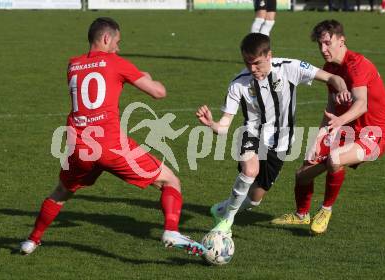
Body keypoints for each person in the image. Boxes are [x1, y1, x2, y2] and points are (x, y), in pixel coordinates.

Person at [20, 17, 205, 256]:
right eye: (117, 41)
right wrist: (145, 77)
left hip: (79, 147)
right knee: (171, 182)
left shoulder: (72, 65)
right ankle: (171, 230)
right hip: (111, 147)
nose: (118, 47)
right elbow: (159, 92)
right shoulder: (116, 62)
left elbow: (97, 80)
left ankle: (32, 240)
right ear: (106, 39)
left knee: (61, 192)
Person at [195, 33, 349, 236]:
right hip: (251, 134)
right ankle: (226, 223)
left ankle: (221, 210)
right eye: (247, 63)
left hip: (281, 143)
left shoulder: (289, 67)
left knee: (254, 200)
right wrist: (212, 124)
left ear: (269, 56)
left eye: (257, 63)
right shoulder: (238, 84)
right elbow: (224, 127)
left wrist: (342, 88)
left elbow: (332, 77)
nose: (252, 69)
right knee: (250, 171)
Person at [271, 19, 385, 235]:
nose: (323, 49)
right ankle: (301, 215)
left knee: (335, 159)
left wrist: (339, 121)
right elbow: (330, 109)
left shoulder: (357, 65)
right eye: (320, 45)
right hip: (345, 130)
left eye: (327, 43)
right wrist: (319, 139)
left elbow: (361, 104)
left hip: (374, 134)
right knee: (302, 174)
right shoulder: (329, 70)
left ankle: (325, 210)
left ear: (341, 40)